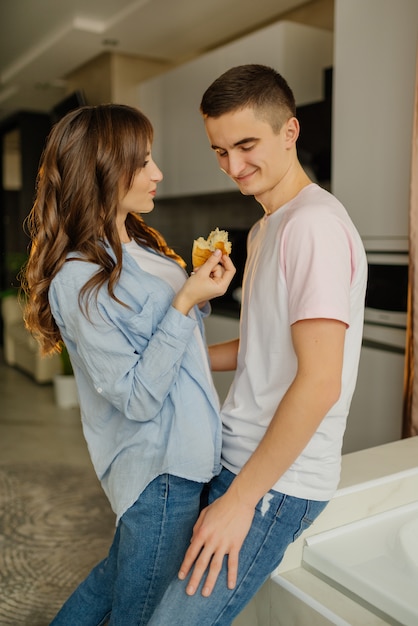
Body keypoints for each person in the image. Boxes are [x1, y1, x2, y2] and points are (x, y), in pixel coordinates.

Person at [149, 64, 368, 625]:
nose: (233, 166)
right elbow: (265, 347)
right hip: (240, 459)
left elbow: (320, 382)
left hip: (276, 484)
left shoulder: (313, 226)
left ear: (289, 132)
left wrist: (242, 500)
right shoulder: (269, 225)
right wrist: (175, 354)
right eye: (220, 151)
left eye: (246, 145)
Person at [22, 103, 235, 626]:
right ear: (100, 170)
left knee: (109, 587)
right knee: (137, 614)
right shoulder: (79, 278)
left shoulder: (146, 249)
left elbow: (178, 360)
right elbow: (137, 396)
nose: (157, 172)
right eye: (141, 162)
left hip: (188, 461)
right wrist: (184, 303)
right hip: (160, 472)